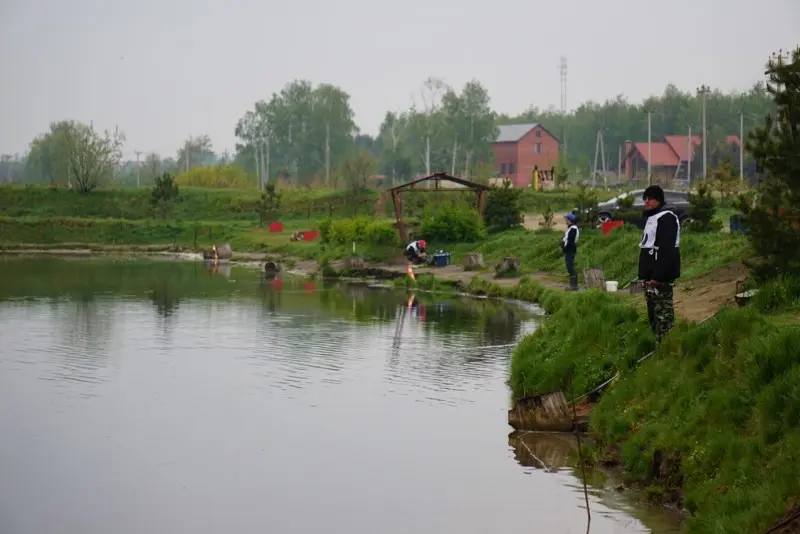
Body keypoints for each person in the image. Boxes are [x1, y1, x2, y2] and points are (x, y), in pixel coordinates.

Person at [638, 185, 681, 343]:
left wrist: (658, 275)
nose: (646, 202)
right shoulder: (652, 217)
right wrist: (644, 276)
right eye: (645, 199)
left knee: (663, 316)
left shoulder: (667, 217)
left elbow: (666, 250)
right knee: (653, 316)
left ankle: (668, 347)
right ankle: (658, 346)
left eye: (650, 199)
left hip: (660, 276)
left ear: (659, 199)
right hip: (650, 276)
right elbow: (646, 248)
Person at [561, 213, 579, 291]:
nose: (565, 220)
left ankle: (574, 285)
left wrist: (564, 247)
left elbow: (570, 241)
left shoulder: (573, 229)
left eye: (566, 219)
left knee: (570, 267)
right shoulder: (571, 228)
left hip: (570, 250)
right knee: (569, 266)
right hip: (570, 249)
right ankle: (572, 284)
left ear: (569, 220)